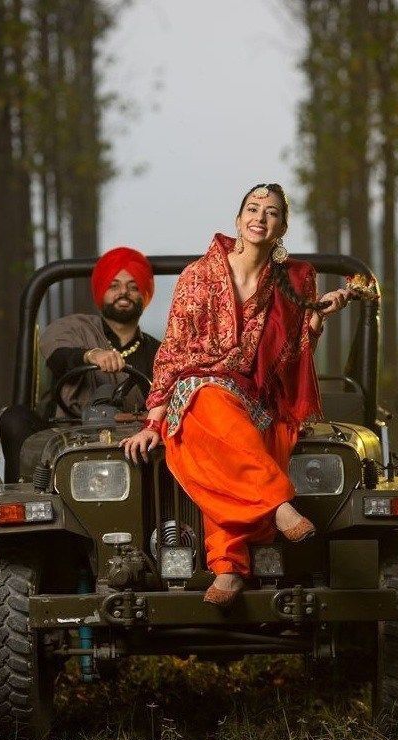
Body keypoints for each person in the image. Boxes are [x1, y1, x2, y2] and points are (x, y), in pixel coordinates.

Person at [121, 184, 349, 606]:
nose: (260, 217)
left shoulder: (296, 278)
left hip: (259, 397)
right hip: (197, 388)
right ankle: (277, 505)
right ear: (238, 218)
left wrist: (318, 318)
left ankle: (227, 567)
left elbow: (293, 354)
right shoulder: (199, 274)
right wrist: (153, 420)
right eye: (252, 208)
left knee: (223, 449)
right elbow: (173, 350)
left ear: (283, 226)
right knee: (210, 398)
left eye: (272, 212)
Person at [0, 246, 160, 482]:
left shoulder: (160, 351)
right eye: (114, 286)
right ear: (101, 290)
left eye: (133, 287)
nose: (123, 293)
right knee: (14, 418)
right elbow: (58, 356)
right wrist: (91, 355)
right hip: (67, 436)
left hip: (136, 443)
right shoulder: (73, 328)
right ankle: (25, 497)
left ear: (144, 295)